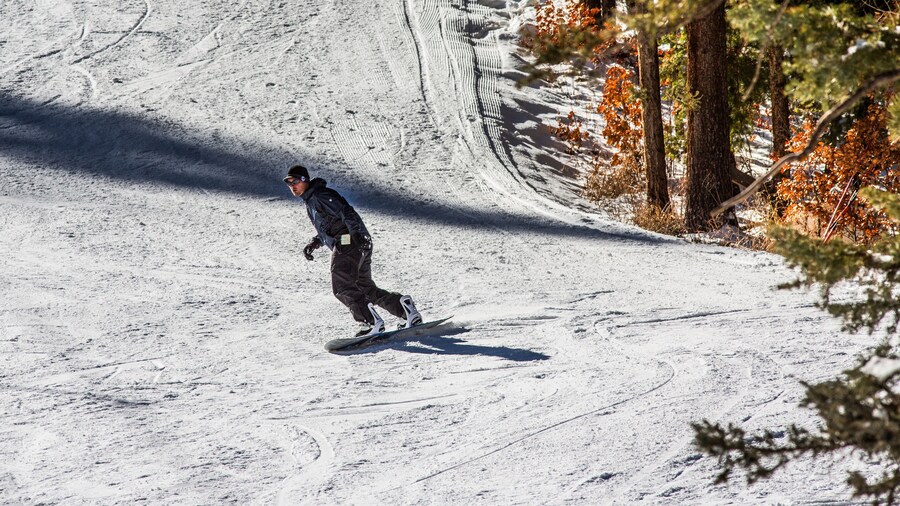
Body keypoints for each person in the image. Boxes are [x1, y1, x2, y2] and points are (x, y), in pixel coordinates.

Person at [284, 165, 422, 336]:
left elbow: (346, 212)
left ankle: (370, 323)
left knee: (341, 286)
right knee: (365, 288)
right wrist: (315, 242)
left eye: (295, 181)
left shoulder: (320, 195)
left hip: (349, 241)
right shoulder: (312, 201)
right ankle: (404, 309)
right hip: (356, 241)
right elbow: (330, 226)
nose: (292, 186)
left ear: (304, 180)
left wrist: (356, 234)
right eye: (289, 183)